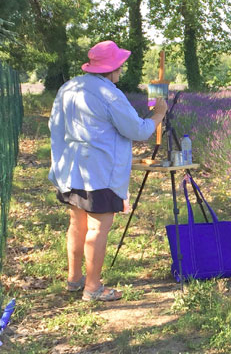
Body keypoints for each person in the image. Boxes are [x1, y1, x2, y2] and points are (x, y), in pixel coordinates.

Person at [48, 40, 168, 301]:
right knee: (97, 229)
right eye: (120, 66)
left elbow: (54, 126)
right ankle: (93, 287)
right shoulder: (109, 94)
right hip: (99, 172)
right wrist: (158, 114)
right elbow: (137, 131)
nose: (121, 71)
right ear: (112, 68)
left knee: (76, 224)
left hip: (70, 168)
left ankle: (74, 279)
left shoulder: (69, 87)